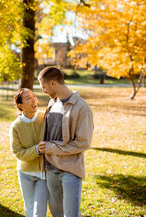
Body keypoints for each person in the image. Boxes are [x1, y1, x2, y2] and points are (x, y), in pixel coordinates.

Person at [37, 66, 94, 217]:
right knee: (56, 213)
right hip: (50, 169)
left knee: (71, 214)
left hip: (69, 171)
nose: (43, 91)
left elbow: (83, 143)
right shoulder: (52, 103)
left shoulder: (82, 108)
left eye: (44, 87)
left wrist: (51, 148)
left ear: (53, 83)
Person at [9, 88, 48, 217]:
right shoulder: (16, 126)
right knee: (29, 209)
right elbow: (18, 153)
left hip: (43, 173)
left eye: (33, 96)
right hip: (25, 173)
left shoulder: (45, 117)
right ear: (20, 105)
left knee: (39, 212)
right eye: (28, 98)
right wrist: (36, 150)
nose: (33, 100)